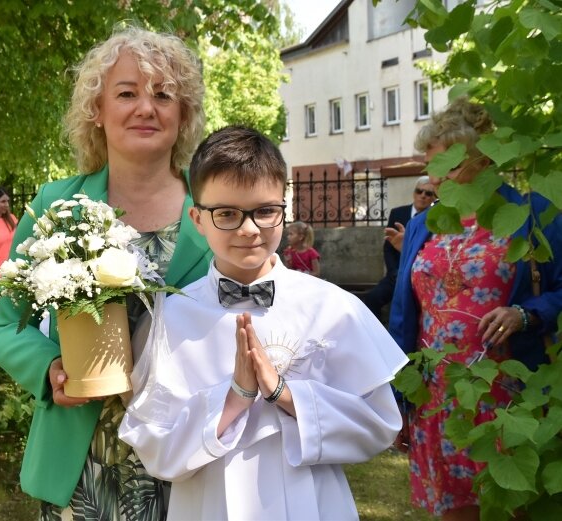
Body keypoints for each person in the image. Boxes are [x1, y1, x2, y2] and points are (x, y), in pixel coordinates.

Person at [118, 126, 408, 520]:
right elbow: (153, 445)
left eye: (265, 211)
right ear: (197, 219)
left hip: (312, 503)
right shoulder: (171, 317)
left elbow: (380, 423)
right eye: (227, 214)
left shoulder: (332, 308)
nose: (249, 229)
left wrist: (286, 395)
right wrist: (234, 397)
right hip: (208, 505)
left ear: (284, 209)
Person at [0, 26, 211, 519]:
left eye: (164, 95)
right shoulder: (56, 207)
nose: (146, 108)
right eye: (126, 93)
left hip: (192, 462)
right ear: (97, 112)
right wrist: (47, 369)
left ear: (184, 113)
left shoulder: (216, 209)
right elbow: (2, 326)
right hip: (79, 467)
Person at [389, 97, 562, 520]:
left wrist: (526, 313)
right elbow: (403, 317)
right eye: (430, 164)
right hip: (435, 398)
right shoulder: (422, 224)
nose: (434, 176)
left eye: (447, 165)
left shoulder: (531, 214)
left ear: (482, 158)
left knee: (509, 504)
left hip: (506, 395)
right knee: (452, 509)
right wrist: (397, 400)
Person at [362, 176, 436, 318]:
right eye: (419, 191)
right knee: (372, 298)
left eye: (428, 193)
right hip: (397, 274)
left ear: (433, 197)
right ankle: (378, 335)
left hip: (421, 274)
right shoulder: (398, 213)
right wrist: (394, 272)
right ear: (414, 192)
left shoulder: (434, 217)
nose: (423, 196)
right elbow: (388, 247)